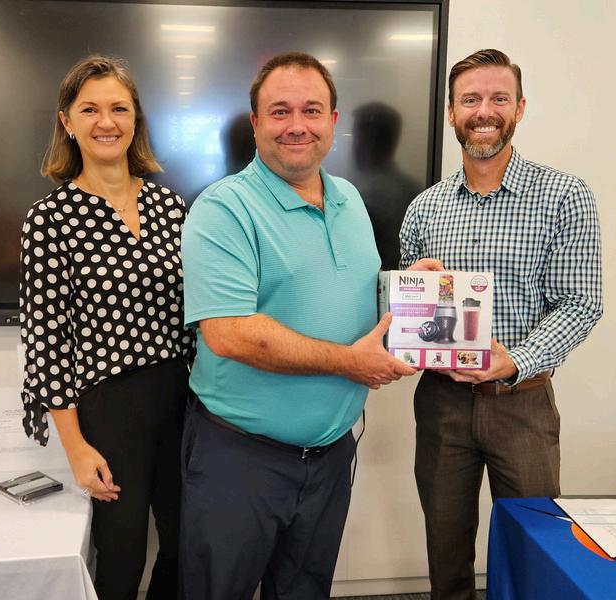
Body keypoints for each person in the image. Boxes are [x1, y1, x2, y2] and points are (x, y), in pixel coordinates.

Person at [181, 51, 439, 600]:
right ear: (256, 123)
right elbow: (229, 333)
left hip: (329, 457)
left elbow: (347, 291)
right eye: (280, 111)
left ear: (333, 121)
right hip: (240, 461)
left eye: (312, 110)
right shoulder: (223, 209)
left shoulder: (348, 198)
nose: (297, 125)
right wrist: (350, 363)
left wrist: (406, 290)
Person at [399, 49, 603, 600]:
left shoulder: (564, 196)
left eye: (498, 98)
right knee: (446, 553)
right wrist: (405, 299)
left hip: (523, 404)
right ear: (451, 112)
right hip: (441, 403)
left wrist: (514, 360)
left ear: (520, 108)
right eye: (470, 99)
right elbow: (408, 312)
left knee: (536, 548)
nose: (483, 111)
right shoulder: (424, 208)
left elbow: (581, 302)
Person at [19, 55, 192, 600]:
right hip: (110, 408)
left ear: (135, 118)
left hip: (183, 398)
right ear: (66, 122)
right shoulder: (49, 220)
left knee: (186, 545)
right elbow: (45, 342)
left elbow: (198, 312)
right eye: (89, 109)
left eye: (119, 108)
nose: (106, 122)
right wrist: (75, 448)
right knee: (121, 555)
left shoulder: (171, 206)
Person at [351, 101, 421, 270]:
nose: (353, 146)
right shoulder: (415, 189)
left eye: (355, 138)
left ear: (365, 140)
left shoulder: (362, 194)